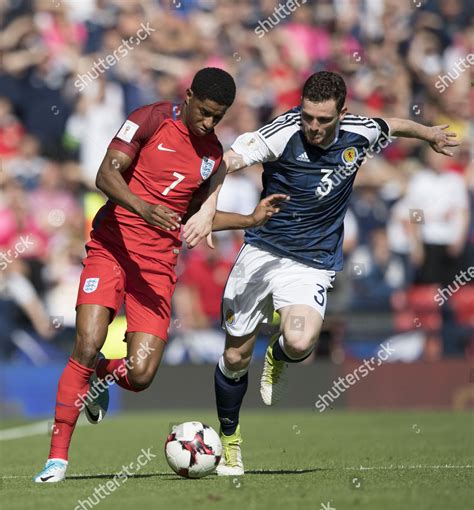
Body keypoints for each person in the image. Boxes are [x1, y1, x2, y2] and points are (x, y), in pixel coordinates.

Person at [183, 70, 459, 476]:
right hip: (261, 251)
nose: (312, 126)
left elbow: (392, 125)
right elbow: (227, 161)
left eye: (322, 120)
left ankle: (278, 355)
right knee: (235, 356)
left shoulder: (359, 133)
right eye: (307, 116)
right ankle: (230, 442)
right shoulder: (283, 133)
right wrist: (207, 211)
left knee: (299, 340)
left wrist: (429, 134)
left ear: (342, 114)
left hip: (310, 261)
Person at [34, 67, 287, 483]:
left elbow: (195, 216)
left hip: (156, 266)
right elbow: (105, 175)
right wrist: (141, 207)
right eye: (205, 112)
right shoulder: (149, 119)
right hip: (111, 249)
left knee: (140, 374)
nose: (209, 122)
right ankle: (57, 459)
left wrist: (250, 219)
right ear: (188, 96)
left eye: (218, 117)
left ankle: (100, 376)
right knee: (87, 340)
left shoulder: (212, 156)